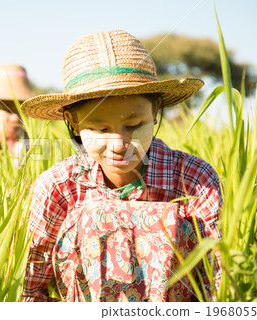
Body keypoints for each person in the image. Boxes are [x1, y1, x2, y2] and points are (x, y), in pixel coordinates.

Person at [20, 30, 222, 302]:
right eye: (99, 128)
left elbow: (219, 282)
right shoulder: (58, 187)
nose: (119, 143)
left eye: (134, 125)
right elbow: (31, 289)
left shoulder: (194, 178)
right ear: (74, 121)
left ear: (155, 110)